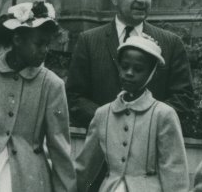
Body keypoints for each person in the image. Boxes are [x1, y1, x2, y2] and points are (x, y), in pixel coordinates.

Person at [0, 2, 75, 192]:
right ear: (17, 39)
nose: (45, 50)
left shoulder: (52, 85)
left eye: (47, 44)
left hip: (31, 178)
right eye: (39, 43)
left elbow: (60, 149)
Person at [67, 0, 194, 126]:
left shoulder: (171, 43)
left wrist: (146, 122)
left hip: (150, 143)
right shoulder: (89, 41)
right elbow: (74, 96)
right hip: (102, 143)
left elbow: (183, 98)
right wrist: (108, 120)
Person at [74, 36, 189, 192]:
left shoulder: (163, 114)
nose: (129, 73)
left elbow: (174, 170)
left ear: (152, 73)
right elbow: (85, 167)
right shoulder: (103, 114)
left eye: (138, 69)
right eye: (124, 66)